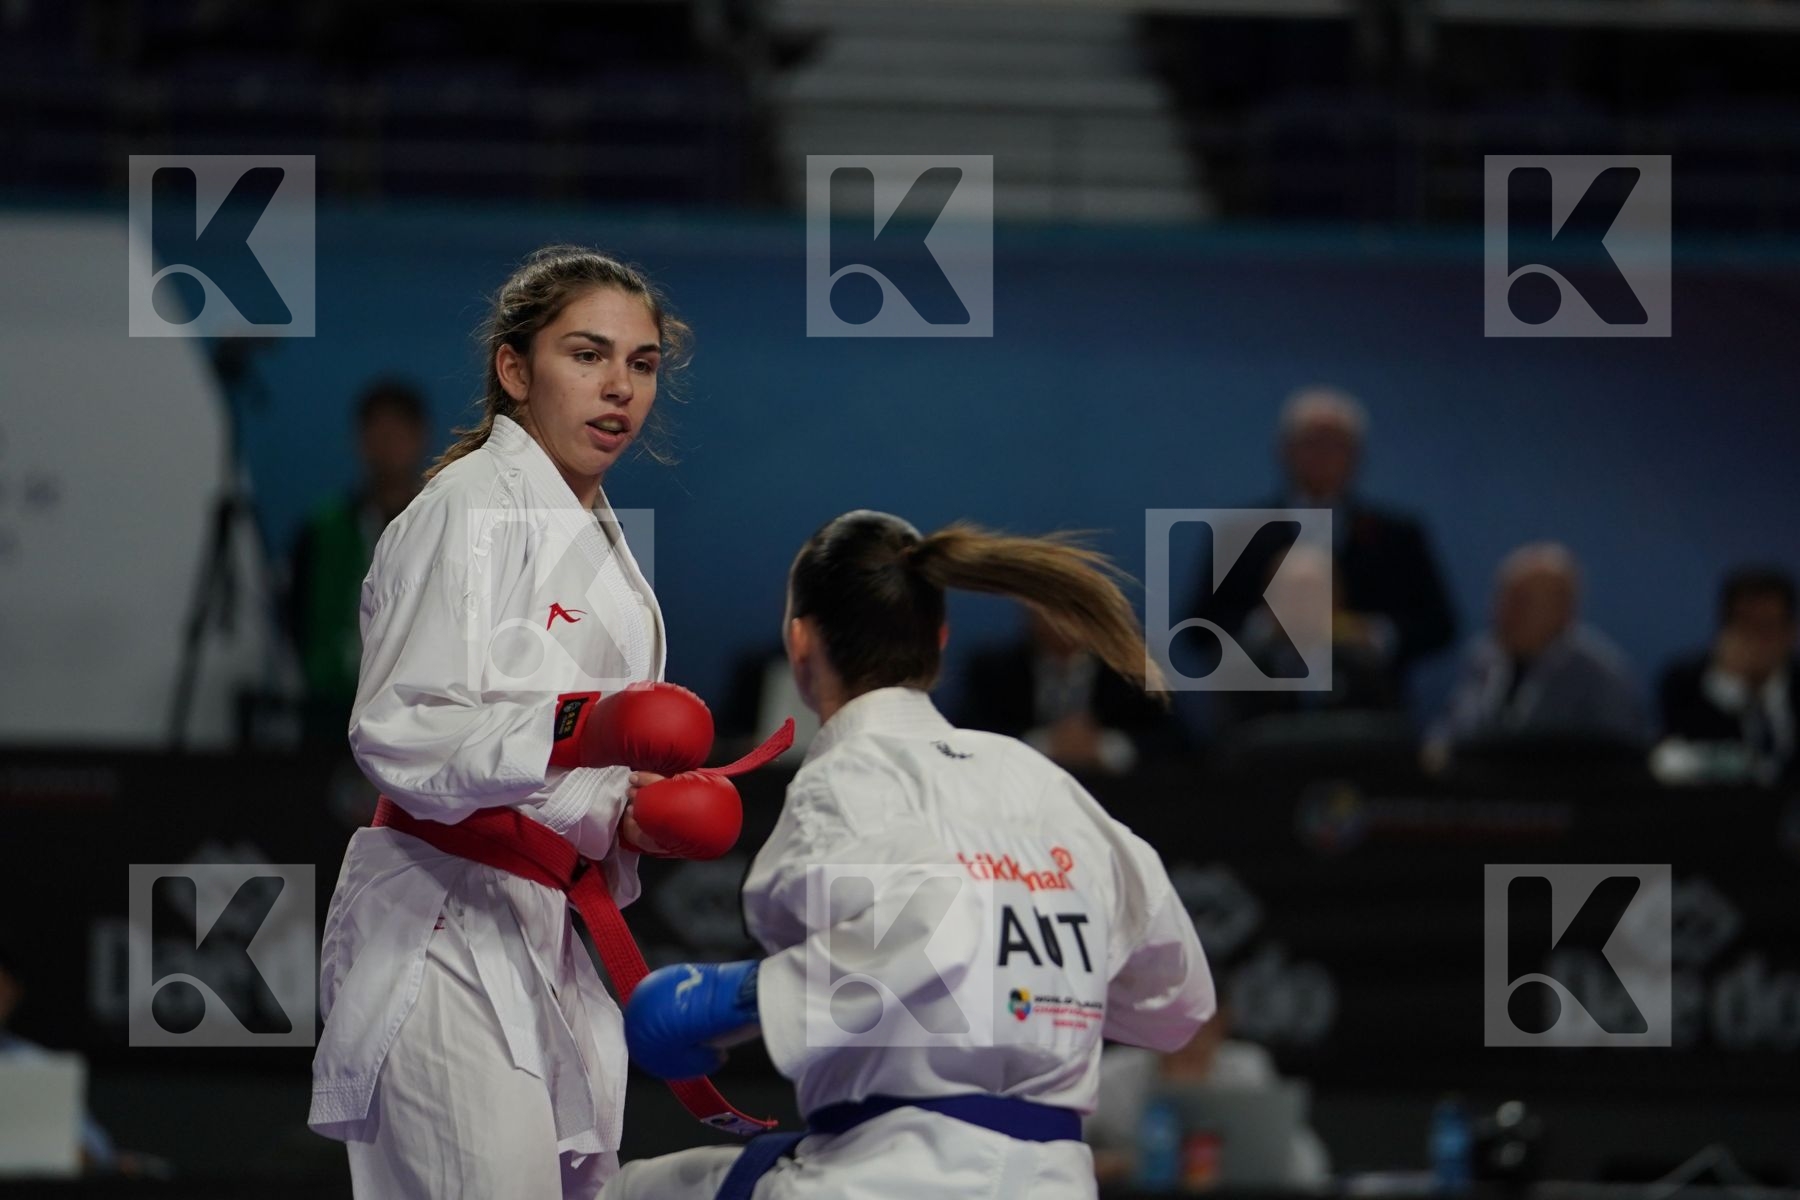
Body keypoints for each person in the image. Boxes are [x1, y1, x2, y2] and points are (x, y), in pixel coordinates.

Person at [602, 512, 1218, 1199]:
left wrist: (732, 1000)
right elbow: (1181, 1003)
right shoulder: (1049, 785)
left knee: (620, 1189)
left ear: (799, 642)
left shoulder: (846, 780)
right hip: (1056, 1179)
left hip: (887, 1174)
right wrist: (1045, 994)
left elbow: (928, 931)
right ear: (941, 641)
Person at [309, 245, 751, 1198]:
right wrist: (588, 731)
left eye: (641, 364)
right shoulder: (467, 508)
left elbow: (563, 762)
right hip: (441, 920)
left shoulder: (592, 531)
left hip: (542, 925)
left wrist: (631, 815)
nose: (619, 388)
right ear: (515, 369)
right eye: (587, 355)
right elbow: (400, 725)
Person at [1189, 387, 1456, 695]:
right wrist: (1266, 628)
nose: (1323, 455)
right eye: (1311, 442)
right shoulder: (1238, 531)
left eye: (1336, 444)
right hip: (1259, 704)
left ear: (1358, 455)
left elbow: (1438, 625)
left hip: (1369, 705)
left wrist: (1371, 634)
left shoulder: (1398, 535)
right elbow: (1199, 627)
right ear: (1284, 450)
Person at [285, 378, 430, 741]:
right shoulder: (324, 528)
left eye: (398, 431)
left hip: (417, 714)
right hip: (332, 712)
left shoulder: (441, 524)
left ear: (419, 438)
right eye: (378, 431)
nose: (387, 443)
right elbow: (295, 614)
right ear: (360, 439)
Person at [1428, 542, 1646, 757]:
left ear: (1564, 610)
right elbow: (1449, 733)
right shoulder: (1482, 657)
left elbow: (1621, 758)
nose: (1504, 611)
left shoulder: (1601, 674)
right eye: (1502, 597)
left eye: (1521, 601)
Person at [957, 606, 1182, 774]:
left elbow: (1177, 740)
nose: (1062, 621)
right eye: (1052, 608)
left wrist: (1106, 747)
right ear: (1028, 613)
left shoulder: (1134, 671)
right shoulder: (995, 671)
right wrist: (1043, 744)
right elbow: (966, 737)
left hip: (1121, 802)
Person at [1657, 566, 1798, 786]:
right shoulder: (1685, 683)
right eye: (1745, 627)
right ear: (1724, 631)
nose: (1757, 642)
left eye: (1768, 628)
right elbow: (1673, 763)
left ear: (1790, 633)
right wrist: (1728, 690)